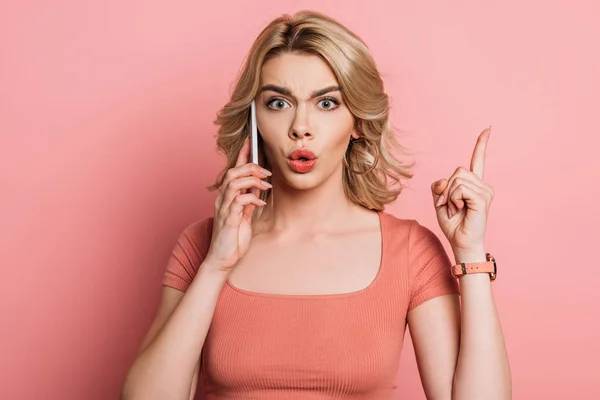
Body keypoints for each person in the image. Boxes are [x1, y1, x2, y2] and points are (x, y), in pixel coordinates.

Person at [121, 10, 511, 400]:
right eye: (278, 103)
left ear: (358, 120)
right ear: (255, 118)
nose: (300, 126)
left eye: (326, 104)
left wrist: (470, 253)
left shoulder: (409, 251)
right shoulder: (202, 244)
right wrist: (216, 264)